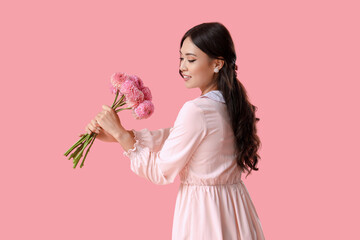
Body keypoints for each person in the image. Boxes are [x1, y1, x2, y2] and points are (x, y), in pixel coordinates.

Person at [85, 22, 265, 240]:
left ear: (217, 64)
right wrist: (118, 134)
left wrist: (122, 135)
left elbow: (160, 171)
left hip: (205, 217)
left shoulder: (196, 110)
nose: (182, 67)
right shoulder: (231, 105)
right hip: (236, 210)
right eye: (181, 58)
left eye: (191, 59)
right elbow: (175, 136)